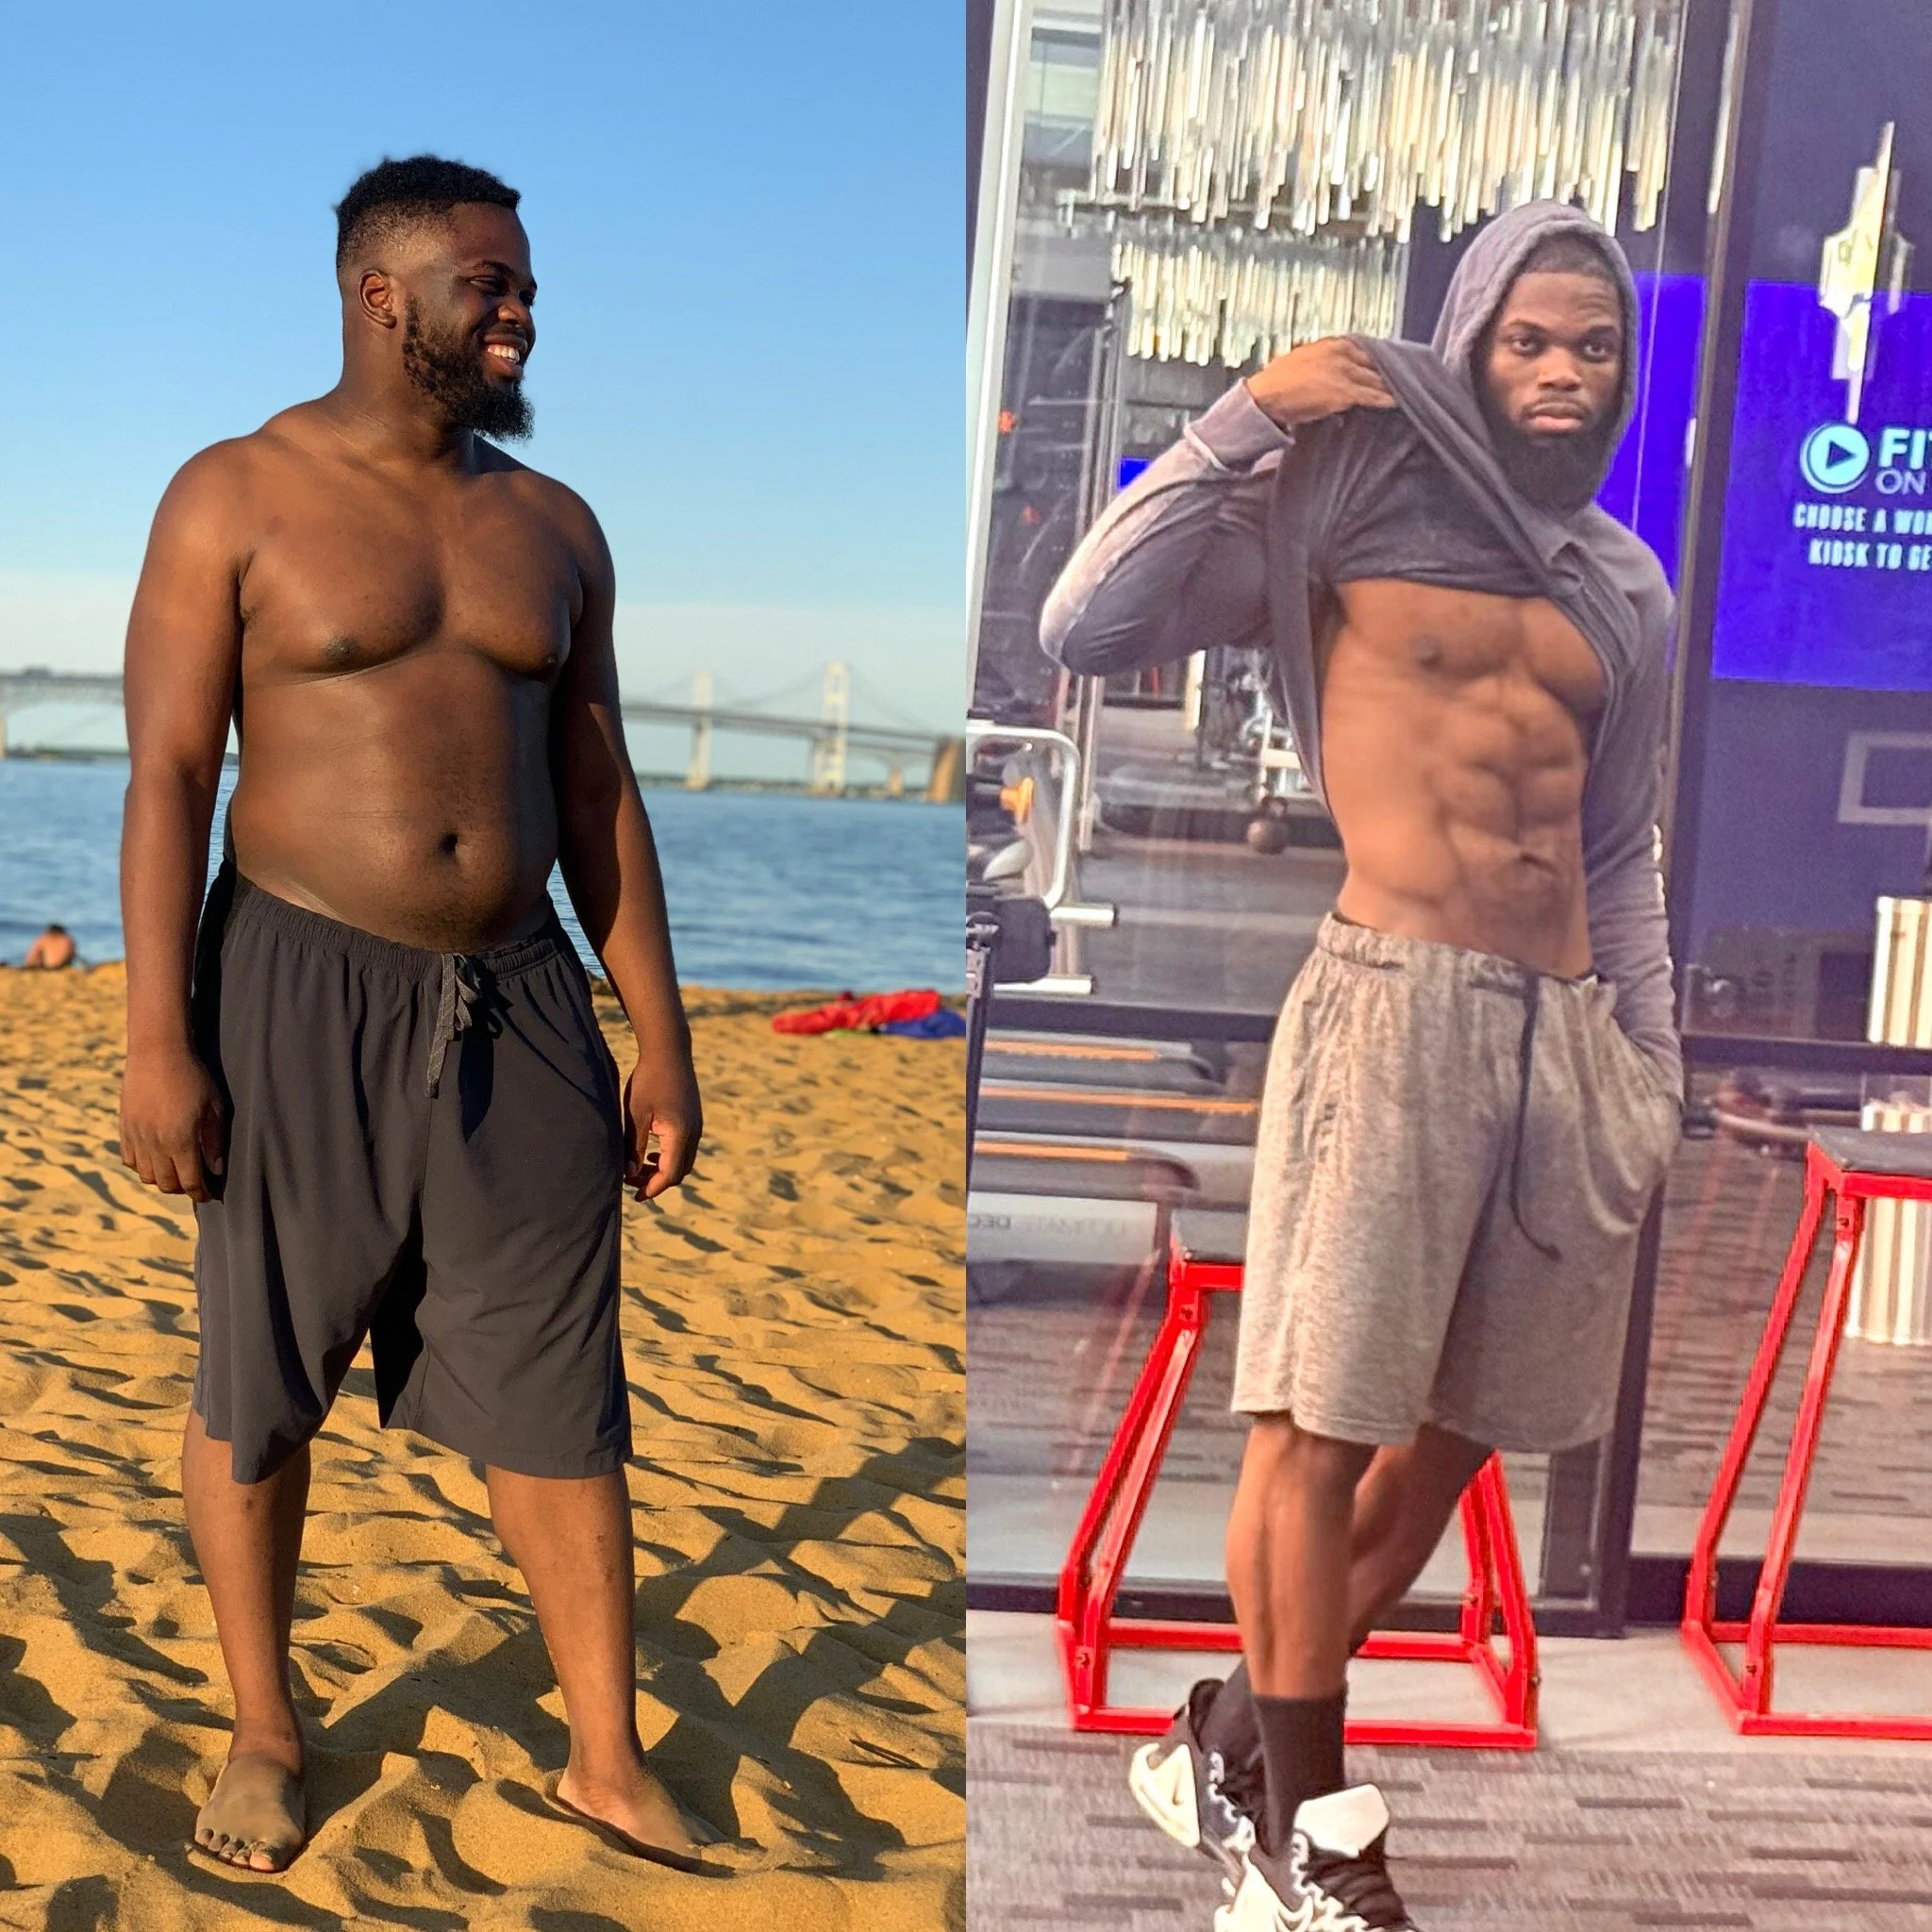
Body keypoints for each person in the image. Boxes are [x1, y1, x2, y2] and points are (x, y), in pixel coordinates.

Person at [1041, 201, 1683, 1930]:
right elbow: (1085, 625)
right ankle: (1314, 1839)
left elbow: (1620, 846)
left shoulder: (1624, 584)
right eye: (1528, 340)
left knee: (1466, 1435)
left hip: (1567, 1039)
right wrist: (1246, 414)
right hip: (1392, 1004)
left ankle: (1223, 1744)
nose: (1562, 372)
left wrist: (1654, 1069)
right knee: (1317, 1427)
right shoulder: (1339, 510)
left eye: (1595, 347)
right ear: (1470, 345)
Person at [118, 156, 705, 1875]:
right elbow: (169, 776)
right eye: (489, 283)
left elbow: (597, 791)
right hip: (296, 978)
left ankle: (605, 1758)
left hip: (521, 992)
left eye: (525, 285)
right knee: (262, 1378)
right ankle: (265, 1731)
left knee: (562, 1386)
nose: (521, 310)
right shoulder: (233, 496)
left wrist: (660, 1035)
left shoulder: (555, 525)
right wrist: (157, 1038)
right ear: (382, 296)